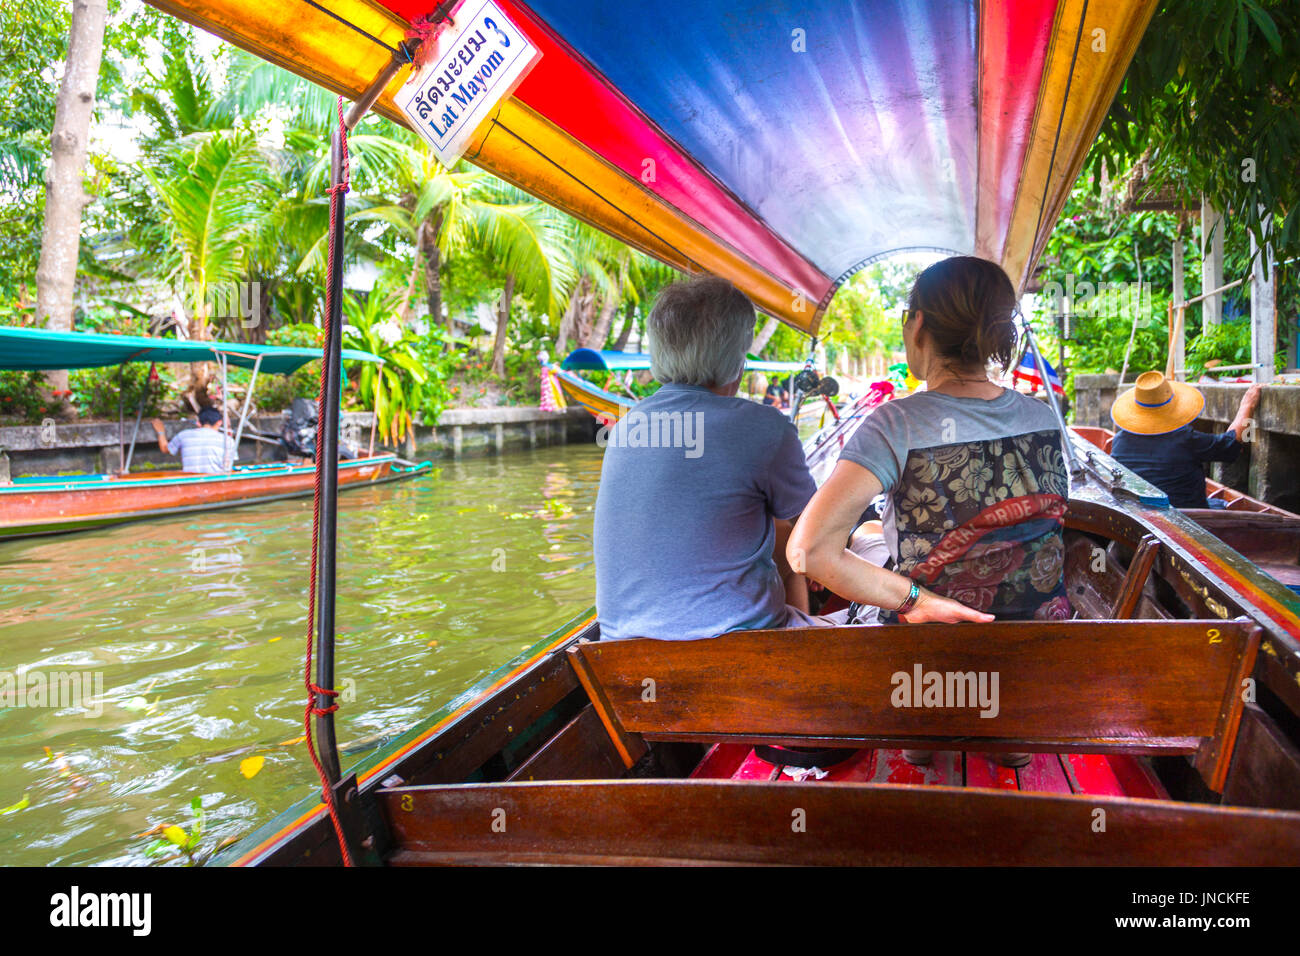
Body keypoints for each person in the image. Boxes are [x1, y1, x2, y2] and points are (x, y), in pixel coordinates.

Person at [1109, 372, 1262, 509]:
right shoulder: (1185, 439)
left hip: (1139, 512)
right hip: (1186, 515)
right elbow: (1232, 444)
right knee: (1221, 505)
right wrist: (1248, 405)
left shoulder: (1119, 441)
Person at [151, 407, 235, 474]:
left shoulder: (184, 435)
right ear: (219, 422)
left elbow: (165, 449)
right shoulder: (227, 440)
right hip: (214, 480)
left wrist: (160, 431)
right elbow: (227, 468)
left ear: (198, 422)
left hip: (190, 480)